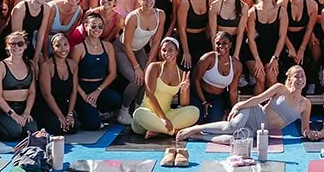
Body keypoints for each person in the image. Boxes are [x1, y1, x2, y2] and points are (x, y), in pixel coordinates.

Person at [180, 64, 313, 141]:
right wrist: (238, 106)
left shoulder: (306, 104)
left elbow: (305, 129)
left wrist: (311, 134)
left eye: (302, 76)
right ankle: (196, 128)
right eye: (297, 76)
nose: (300, 79)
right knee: (233, 126)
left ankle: (200, 137)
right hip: (255, 112)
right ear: (289, 79)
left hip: (261, 129)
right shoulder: (280, 88)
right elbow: (258, 99)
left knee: (236, 139)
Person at [132, 36, 200, 137]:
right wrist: (163, 119)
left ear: (177, 52)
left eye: (170, 50)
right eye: (164, 50)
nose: (166, 53)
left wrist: (184, 90)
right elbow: (150, 95)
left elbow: (184, 104)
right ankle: (174, 131)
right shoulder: (154, 67)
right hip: (148, 114)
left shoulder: (181, 74)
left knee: (195, 111)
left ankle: (159, 130)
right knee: (138, 113)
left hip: (167, 114)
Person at [73, 10, 120, 130]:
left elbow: (112, 74)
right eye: (93, 26)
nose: (97, 29)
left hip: (99, 87)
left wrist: (98, 91)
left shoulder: (108, 46)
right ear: (86, 26)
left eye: (100, 26)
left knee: (116, 99)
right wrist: (84, 95)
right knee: (93, 126)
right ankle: (81, 110)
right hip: (83, 90)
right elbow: (72, 76)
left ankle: (97, 109)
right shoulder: (78, 49)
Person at [0, 30, 38, 142]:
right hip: (4, 110)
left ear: (25, 46)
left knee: (31, 131)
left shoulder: (30, 65)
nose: (16, 47)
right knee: (15, 132)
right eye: (12, 44)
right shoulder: (0, 66)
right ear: (7, 46)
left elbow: (32, 92)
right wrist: (13, 115)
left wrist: (27, 112)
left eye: (20, 43)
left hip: (22, 108)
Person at [36, 32, 81, 134]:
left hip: (64, 104)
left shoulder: (73, 65)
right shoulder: (46, 66)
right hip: (48, 105)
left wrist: (69, 114)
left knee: (73, 127)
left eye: (65, 44)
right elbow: (46, 94)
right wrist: (60, 116)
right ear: (53, 48)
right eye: (58, 46)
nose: (63, 49)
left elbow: (74, 91)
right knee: (58, 128)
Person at [193, 30, 241, 122]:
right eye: (218, 43)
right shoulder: (207, 58)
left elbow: (233, 90)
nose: (221, 46)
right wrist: (203, 102)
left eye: (224, 43)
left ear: (230, 45)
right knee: (198, 120)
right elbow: (195, 80)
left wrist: (234, 109)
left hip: (218, 98)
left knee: (213, 122)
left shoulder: (237, 65)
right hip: (200, 95)